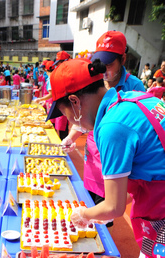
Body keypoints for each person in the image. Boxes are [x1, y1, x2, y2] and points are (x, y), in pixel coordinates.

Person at [49, 57, 165, 258]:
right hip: (155, 209)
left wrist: (84, 214)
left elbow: (113, 207)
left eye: (65, 114)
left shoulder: (113, 128)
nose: (69, 122)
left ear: (75, 103)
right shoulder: (134, 99)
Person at [61, 30, 145, 205]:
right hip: (93, 155)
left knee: (109, 204)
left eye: (108, 64)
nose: (104, 70)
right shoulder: (95, 80)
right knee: (89, 201)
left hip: (118, 155)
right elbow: (84, 114)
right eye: (100, 63)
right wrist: (70, 137)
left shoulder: (134, 86)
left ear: (122, 60)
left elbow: (139, 127)